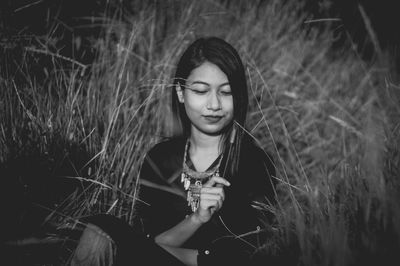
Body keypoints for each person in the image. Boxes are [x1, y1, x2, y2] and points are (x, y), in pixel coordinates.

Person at [70, 36, 276, 266]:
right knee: (99, 231)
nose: (214, 105)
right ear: (180, 92)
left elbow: (248, 255)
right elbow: (154, 243)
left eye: (226, 92)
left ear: (238, 97)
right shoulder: (160, 159)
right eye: (200, 91)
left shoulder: (254, 165)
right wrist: (197, 218)